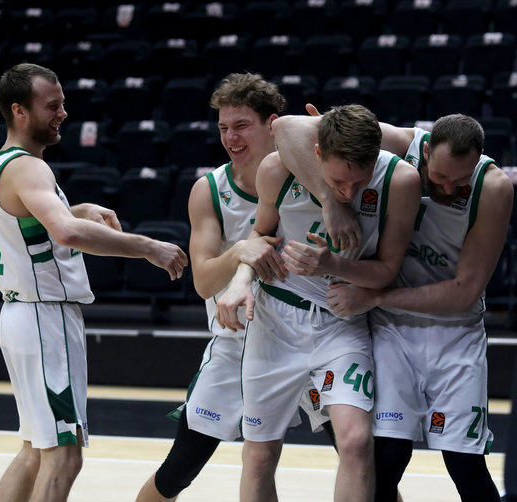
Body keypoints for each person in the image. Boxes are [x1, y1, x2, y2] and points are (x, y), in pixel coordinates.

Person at [0, 63, 188, 502]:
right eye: (52, 105)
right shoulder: (29, 168)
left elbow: (37, 226)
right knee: (64, 455)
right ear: (19, 111)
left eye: (63, 103)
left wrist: (77, 209)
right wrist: (148, 246)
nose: (63, 113)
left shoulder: (5, 165)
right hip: (44, 320)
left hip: (24, 316)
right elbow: (65, 234)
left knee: (35, 451)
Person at [135, 73, 338, 502]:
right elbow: (204, 280)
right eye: (223, 127)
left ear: (273, 124)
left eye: (242, 125)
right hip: (238, 345)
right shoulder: (209, 190)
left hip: (313, 336)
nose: (231, 137)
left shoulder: (314, 175)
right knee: (179, 471)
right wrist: (241, 250)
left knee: (366, 461)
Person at [215, 104, 421, 501]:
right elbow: (260, 238)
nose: (350, 194)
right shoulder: (277, 170)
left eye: (360, 184)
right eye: (339, 182)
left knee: (358, 442)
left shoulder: (401, 180)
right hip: (276, 320)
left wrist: (335, 264)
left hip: (340, 322)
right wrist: (241, 280)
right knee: (258, 455)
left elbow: (387, 270)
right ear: (316, 154)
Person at [320, 115, 513, 502]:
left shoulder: (493, 186)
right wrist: (330, 201)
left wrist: (375, 296)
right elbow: (291, 129)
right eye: (439, 177)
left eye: (459, 181)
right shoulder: (397, 143)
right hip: (393, 331)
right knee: (386, 460)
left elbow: (463, 292)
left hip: (454, 331)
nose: (446, 187)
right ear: (424, 150)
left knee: (465, 464)